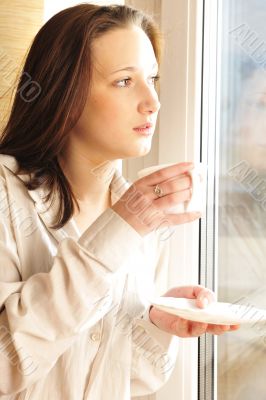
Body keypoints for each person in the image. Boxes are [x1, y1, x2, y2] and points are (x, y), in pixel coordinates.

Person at [0, 4, 239, 399]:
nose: (153, 102)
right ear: (65, 93)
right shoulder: (8, 195)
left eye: (153, 79)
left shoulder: (138, 215)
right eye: (125, 81)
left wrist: (155, 323)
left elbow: (134, 381)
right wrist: (118, 230)